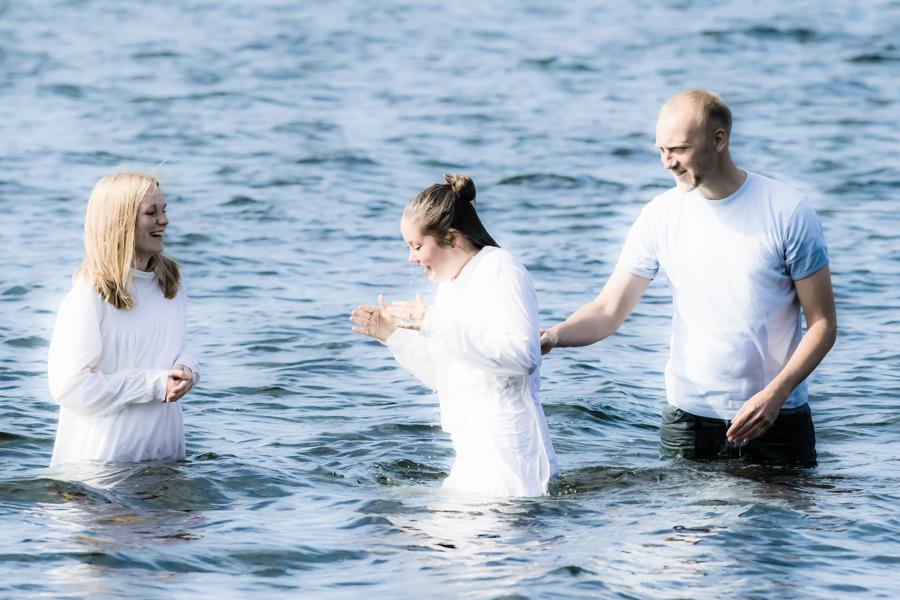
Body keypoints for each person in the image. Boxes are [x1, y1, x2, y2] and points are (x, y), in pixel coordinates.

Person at [541, 90, 837, 466]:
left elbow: (823, 323)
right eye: (661, 150)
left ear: (718, 140)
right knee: (684, 525)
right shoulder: (660, 215)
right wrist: (555, 335)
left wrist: (775, 396)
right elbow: (608, 309)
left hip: (777, 419)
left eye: (678, 149)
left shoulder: (787, 210)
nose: (668, 163)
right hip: (687, 422)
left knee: (777, 524)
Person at [350, 174, 558, 496]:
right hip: (471, 462)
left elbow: (524, 357)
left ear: (452, 238)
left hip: (511, 467)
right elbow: (444, 374)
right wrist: (392, 335)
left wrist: (434, 323)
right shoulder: (450, 287)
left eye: (417, 246)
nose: (411, 257)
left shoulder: (501, 270)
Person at [48, 172, 198, 467]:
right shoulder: (89, 296)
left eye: (164, 210)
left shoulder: (170, 283)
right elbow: (70, 387)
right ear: (121, 222)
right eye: (151, 213)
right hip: (103, 467)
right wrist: (153, 384)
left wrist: (188, 369)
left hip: (165, 459)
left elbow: (179, 349)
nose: (164, 221)